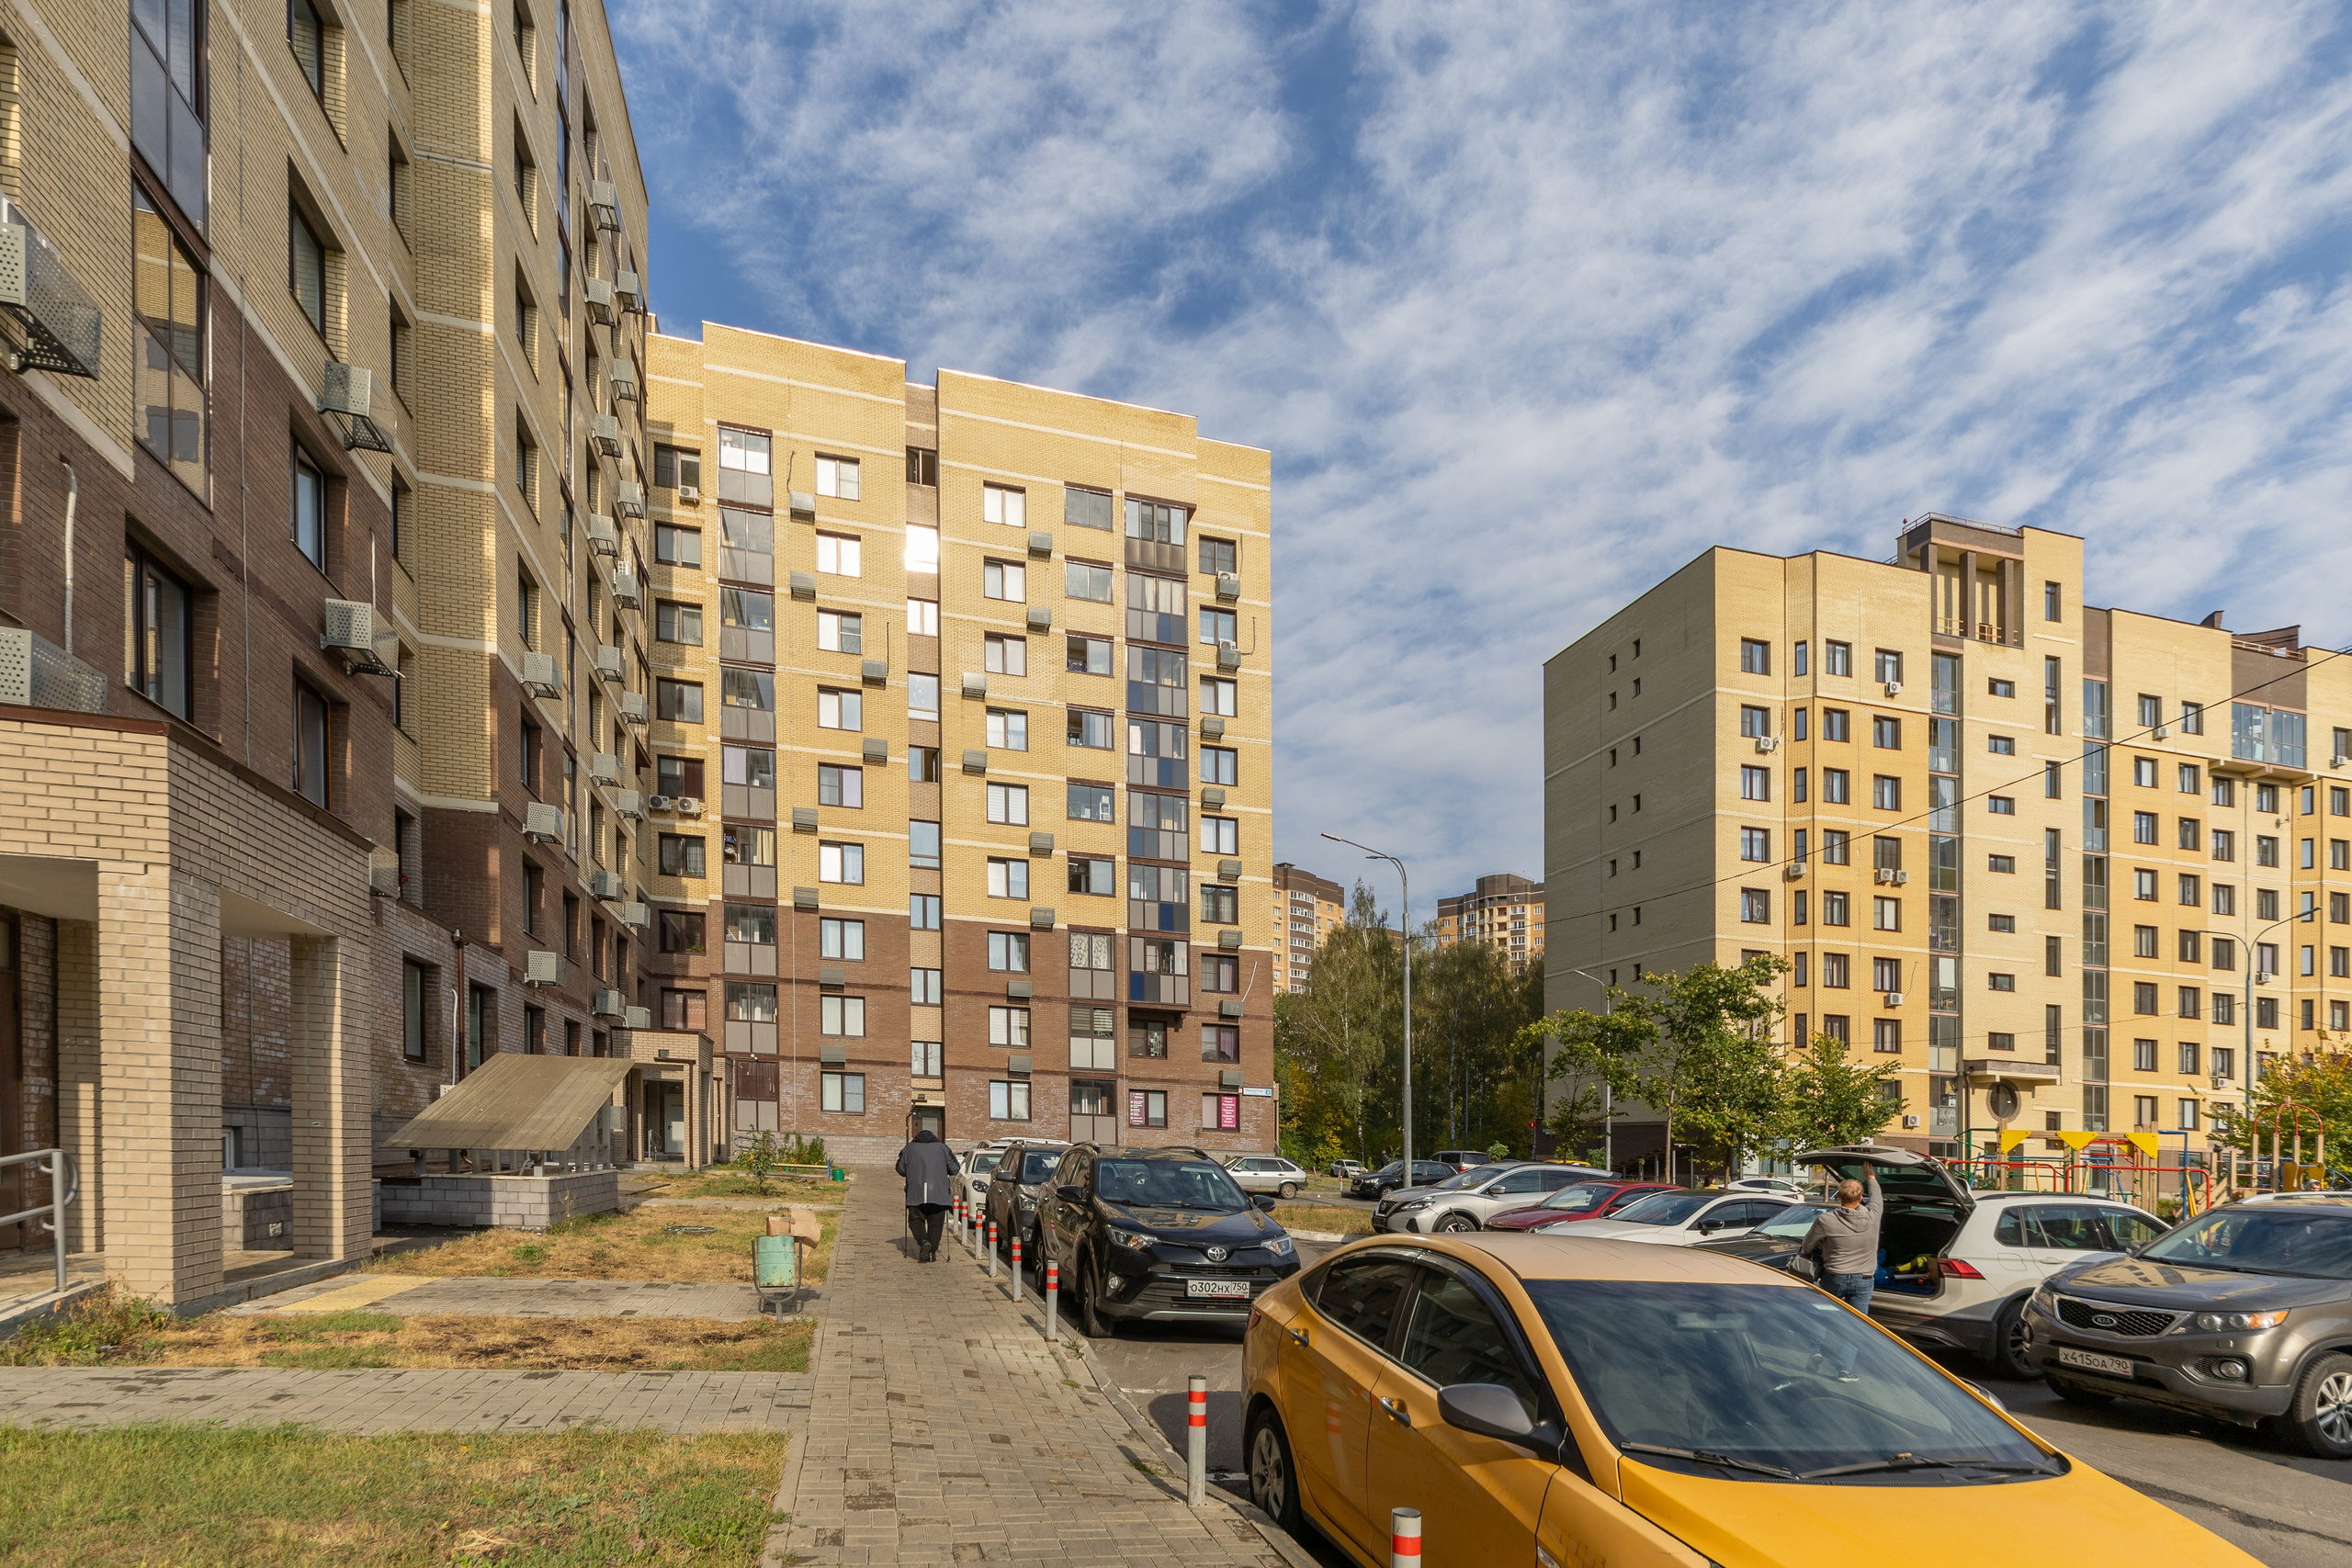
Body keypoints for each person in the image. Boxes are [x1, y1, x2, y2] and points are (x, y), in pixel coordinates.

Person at [1801, 1170, 1883, 1379]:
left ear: (1839, 1196)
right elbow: (1878, 1197)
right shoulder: (1873, 1215)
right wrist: (1871, 1177)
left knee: (1825, 1316)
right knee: (1855, 1325)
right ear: (1861, 1198)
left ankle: (1816, 1351)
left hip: (1834, 1276)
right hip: (1863, 1279)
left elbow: (1807, 1245)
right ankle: (1844, 1369)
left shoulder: (1825, 1220)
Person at [897, 1127, 959, 1262]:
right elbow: (955, 1169)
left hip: (916, 1193)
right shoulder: (943, 1148)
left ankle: (924, 1241)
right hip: (939, 1194)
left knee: (915, 1220)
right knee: (936, 1224)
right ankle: (931, 1253)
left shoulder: (909, 1148)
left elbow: (900, 1169)